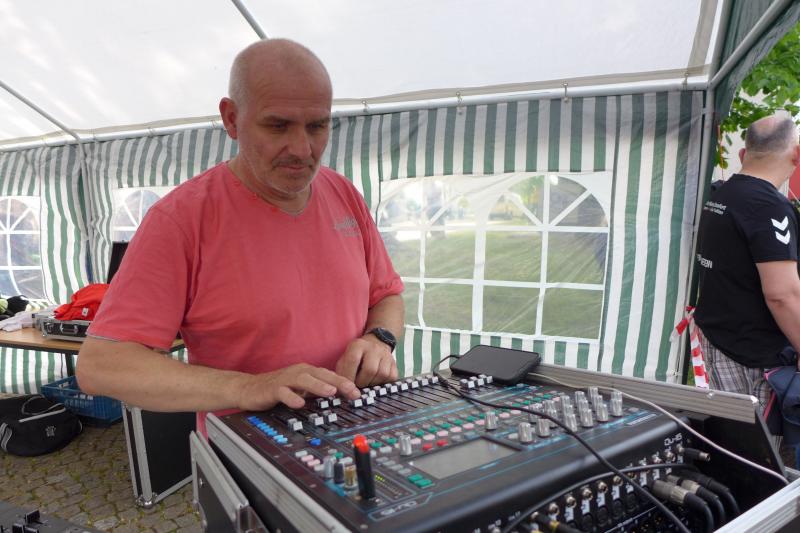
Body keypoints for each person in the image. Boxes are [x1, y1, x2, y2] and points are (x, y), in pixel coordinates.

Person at [75, 39, 405, 435]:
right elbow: (102, 365)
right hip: (250, 452)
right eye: (278, 126)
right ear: (231, 119)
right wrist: (249, 387)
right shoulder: (181, 219)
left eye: (317, 126)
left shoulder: (343, 193)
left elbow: (386, 294)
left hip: (356, 430)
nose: (302, 149)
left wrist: (380, 339)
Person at [694, 113, 800, 417]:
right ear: (797, 154)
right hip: (754, 354)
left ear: (743, 153)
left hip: (720, 338)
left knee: (733, 435)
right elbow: (782, 295)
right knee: (759, 442)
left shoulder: (722, 193)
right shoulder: (768, 206)